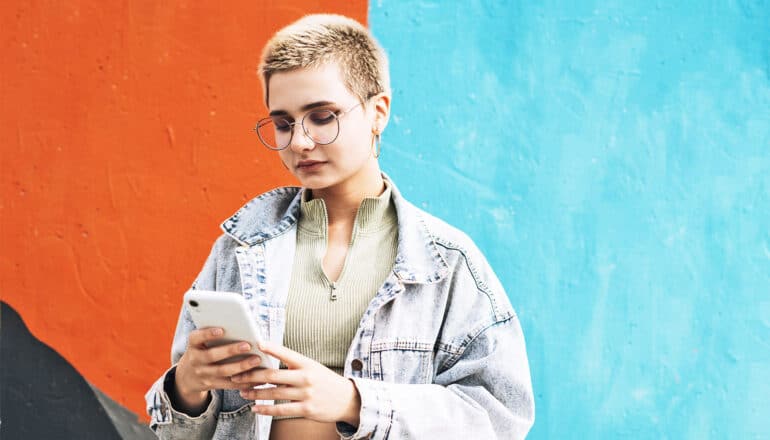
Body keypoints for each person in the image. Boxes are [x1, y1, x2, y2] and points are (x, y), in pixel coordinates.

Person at [145, 13, 534, 440]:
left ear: (377, 112)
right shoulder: (238, 250)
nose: (299, 142)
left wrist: (353, 401)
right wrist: (187, 388)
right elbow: (174, 434)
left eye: (322, 117)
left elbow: (499, 418)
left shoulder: (445, 262)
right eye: (283, 123)